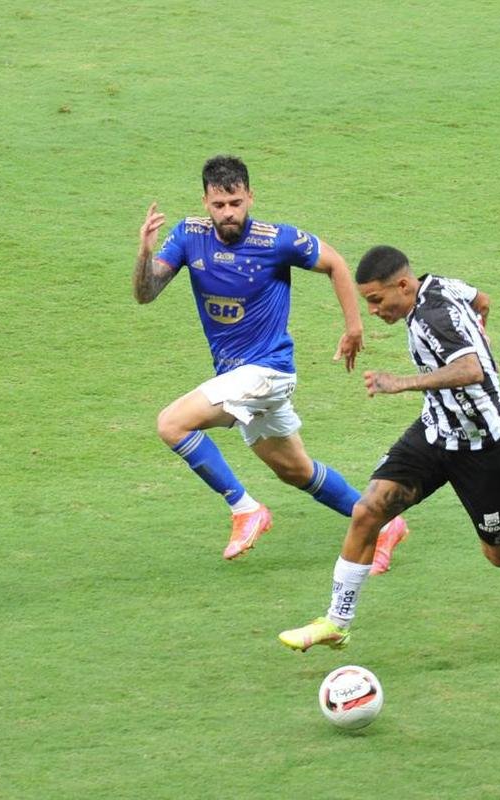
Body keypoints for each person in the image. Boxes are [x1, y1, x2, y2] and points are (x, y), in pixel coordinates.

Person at [278, 245, 500, 651]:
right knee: (367, 511)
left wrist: (401, 383)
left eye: (376, 300)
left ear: (403, 286)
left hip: (485, 448)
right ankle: (337, 622)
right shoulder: (438, 284)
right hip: (436, 432)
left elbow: (471, 369)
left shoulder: (432, 318)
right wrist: (481, 334)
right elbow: (482, 300)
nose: (372, 310)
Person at [133, 156, 408, 562]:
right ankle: (384, 524)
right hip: (239, 377)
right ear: (205, 202)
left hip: (267, 371)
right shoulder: (189, 235)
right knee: (295, 470)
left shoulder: (275, 240)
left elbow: (335, 263)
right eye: (219, 205)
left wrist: (353, 328)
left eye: (236, 203)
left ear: (250, 197)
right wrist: (144, 252)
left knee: (171, 423)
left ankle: (245, 509)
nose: (228, 213)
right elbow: (146, 293)